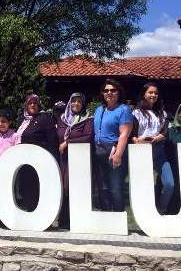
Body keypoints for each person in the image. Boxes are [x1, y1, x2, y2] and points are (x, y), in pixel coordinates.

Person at [132, 82, 173, 213]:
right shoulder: (136, 113)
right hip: (142, 151)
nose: (153, 95)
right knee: (144, 185)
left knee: (169, 184)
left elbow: (165, 131)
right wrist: (137, 140)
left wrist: (158, 137)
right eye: (150, 92)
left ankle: (161, 209)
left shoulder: (162, 113)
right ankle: (146, 212)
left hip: (159, 150)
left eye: (155, 93)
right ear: (144, 94)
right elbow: (131, 134)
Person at [93, 79, 133, 212]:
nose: (109, 92)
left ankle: (118, 218)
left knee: (115, 188)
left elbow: (124, 134)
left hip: (113, 151)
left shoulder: (124, 110)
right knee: (102, 188)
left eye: (113, 90)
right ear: (102, 94)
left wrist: (118, 154)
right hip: (98, 152)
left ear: (119, 92)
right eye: (106, 90)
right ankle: (107, 221)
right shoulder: (99, 109)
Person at [16, 94, 59, 211]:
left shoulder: (44, 119)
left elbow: (52, 141)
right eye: (30, 103)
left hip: (39, 161)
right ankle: (28, 211)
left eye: (35, 103)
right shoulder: (22, 120)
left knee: (36, 188)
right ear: (26, 105)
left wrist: (53, 161)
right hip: (23, 161)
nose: (32, 105)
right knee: (25, 187)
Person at [56, 93, 93, 228]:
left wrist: (68, 142)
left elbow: (87, 137)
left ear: (83, 104)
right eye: (73, 101)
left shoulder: (87, 119)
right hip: (63, 158)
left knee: (73, 188)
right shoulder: (62, 119)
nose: (76, 104)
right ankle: (63, 221)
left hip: (78, 160)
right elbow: (57, 136)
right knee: (63, 188)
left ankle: (75, 220)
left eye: (79, 102)